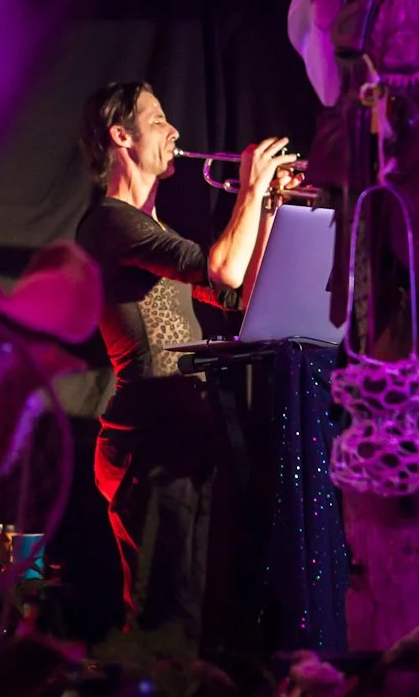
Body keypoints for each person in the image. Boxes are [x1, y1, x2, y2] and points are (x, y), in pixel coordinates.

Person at [76, 80, 299, 648]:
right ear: (120, 135)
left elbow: (242, 296)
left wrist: (269, 206)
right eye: (157, 121)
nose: (174, 132)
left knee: (198, 612)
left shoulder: (156, 233)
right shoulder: (107, 222)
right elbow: (224, 270)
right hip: (147, 435)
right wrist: (248, 189)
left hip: (185, 431)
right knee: (163, 614)